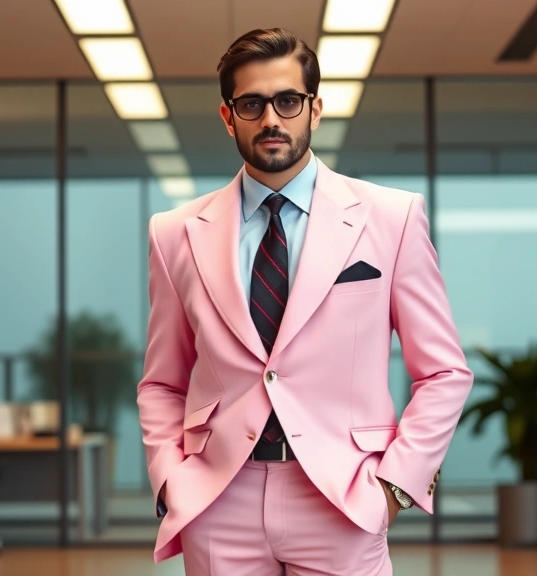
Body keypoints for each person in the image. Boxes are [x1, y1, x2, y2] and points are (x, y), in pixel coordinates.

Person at [137, 27, 474, 575]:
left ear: (314, 109)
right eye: (252, 104)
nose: (271, 119)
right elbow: (162, 382)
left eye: (288, 101)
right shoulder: (174, 233)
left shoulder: (392, 218)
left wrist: (396, 487)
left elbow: (444, 373)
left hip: (344, 498)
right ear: (228, 117)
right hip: (218, 500)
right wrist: (170, 480)